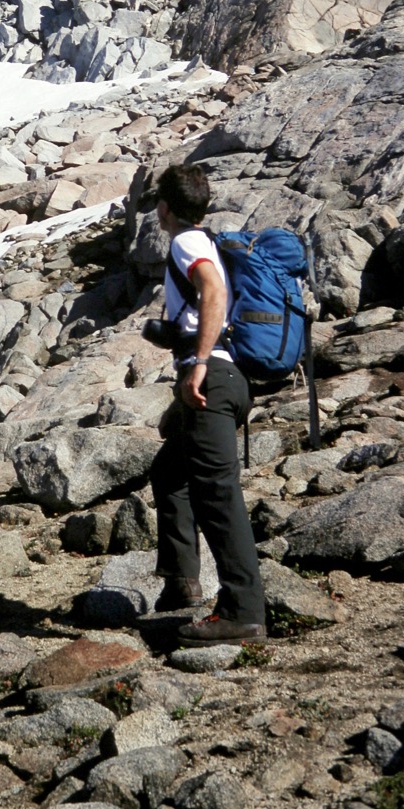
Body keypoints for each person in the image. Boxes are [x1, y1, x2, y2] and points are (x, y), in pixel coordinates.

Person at [148, 163, 266, 645]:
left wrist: (197, 362)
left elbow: (213, 291)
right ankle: (182, 581)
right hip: (225, 378)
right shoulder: (207, 240)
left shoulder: (186, 242)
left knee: (218, 495)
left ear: (164, 208)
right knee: (169, 471)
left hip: (211, 379)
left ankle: (243, 612)